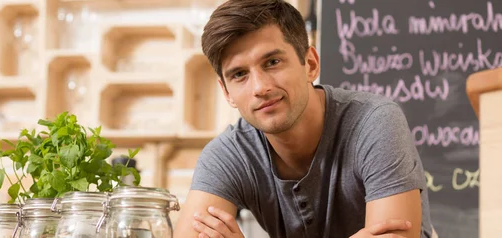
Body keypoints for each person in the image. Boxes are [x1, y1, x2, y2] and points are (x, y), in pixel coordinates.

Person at [173, 0, 434, 237]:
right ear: (227, 92)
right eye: (239, 74)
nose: (259, 88)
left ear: (310, 64)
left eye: (272, 62)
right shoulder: (229, 155)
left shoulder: (375, 122)